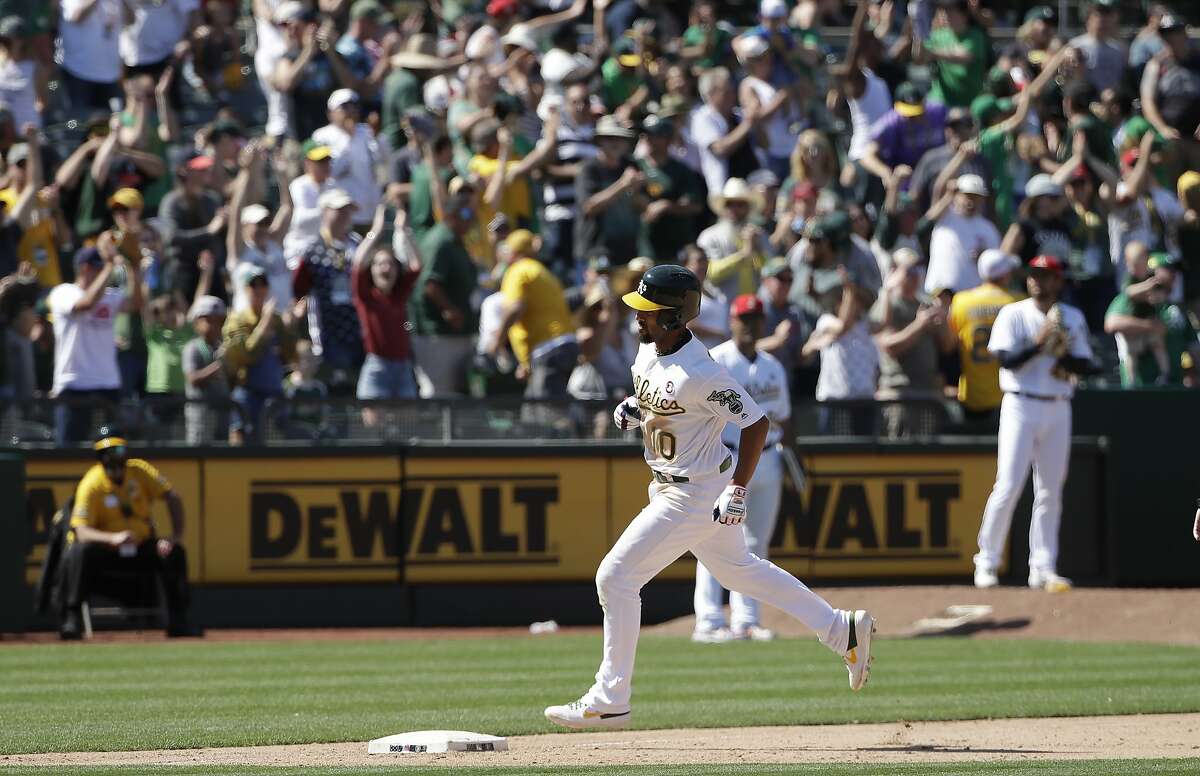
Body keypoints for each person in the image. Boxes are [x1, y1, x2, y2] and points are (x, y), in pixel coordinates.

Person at [543, 264, 875, 730]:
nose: (638, 317)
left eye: (649, 311)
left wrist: (738, 489)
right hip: (675, 483)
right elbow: (657, 397)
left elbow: (756, 423)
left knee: (615, 578)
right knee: (741, 572)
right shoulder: (648, 350)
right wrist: (634, 409)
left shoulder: (703, 371)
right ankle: (841, 629)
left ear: (676, 318)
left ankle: (610, 697)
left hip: (693, 493)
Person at [974, 256, 1097, 592]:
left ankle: (1043, 566)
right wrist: (1041, 343)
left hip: (1058, 405)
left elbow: (1085, 365)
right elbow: (1006, 361)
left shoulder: (1071, 317)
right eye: (1034, 275)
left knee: (1050, 490)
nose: (1038, 281)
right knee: (1009, 484)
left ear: (1059, 280)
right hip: (1020, 403)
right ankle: (987, 560)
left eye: (1046, 276)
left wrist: (1061, 354)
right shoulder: (1014, 313)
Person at [693, 293, 791, 643]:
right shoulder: (716, 360)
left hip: (767, 456)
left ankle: (747, 619)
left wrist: (794, 460)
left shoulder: (772, 366)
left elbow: (784, 418)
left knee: (756, 542)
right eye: (743, 318)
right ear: (731, 322)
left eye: (754, 319)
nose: (749, 325)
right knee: (709, 537)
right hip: (724, 456)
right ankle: (708, 620)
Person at [58, 427, 199, 639]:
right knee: (79, 553)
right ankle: (72, 619)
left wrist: (173, 537)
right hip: (107, 552)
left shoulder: (139, 471)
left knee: (174, 553)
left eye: (118, 451)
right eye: (108, 454)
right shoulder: (91, 483)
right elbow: (81, 531)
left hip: (140, 547)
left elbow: (172, 496)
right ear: (99, 456)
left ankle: (179, 620)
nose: (114, 459)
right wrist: (112, 538)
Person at [48, 240, 144, 444]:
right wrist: (109, 265)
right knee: (69, 451)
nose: (106, 275)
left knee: (113, 448)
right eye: (100, 270)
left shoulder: (110, 296)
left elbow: (136, 304)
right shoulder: (63, 292)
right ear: (85, 269)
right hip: (74, 384)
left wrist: (135, 266)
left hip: (107, 384)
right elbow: (86, 304)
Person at [871, 249, 957, 438]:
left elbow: (949, 346)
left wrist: (942, 322)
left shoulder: (926, 303)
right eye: (909, 270)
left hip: (928, 395)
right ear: (895, 271)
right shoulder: (888, 304)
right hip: (900, 395)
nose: (916, 275)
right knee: (899, 460)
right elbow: (889, 347)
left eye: (919, 269)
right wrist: (920, 325)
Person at [292, 188, 364, 391]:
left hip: (358, 328)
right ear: (325, 212)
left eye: (347, 211)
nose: (344, 216)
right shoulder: (312, 250)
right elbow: (298, 289)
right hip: (329, 332)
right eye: (339, 210)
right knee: (338, 386)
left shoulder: (357, 244)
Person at [490, 229, 576, 398]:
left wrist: (497, 342)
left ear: (513, 251)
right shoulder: (543, 272)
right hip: (564, 345)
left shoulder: (518, 270)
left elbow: (515, 307)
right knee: (535, 410)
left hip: (549, 349)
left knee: (547, 414)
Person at [352, 203, 422, 405]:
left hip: (402, 365)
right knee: (372, 418)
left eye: (390, 263)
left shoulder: (399, 295)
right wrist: (376, 231)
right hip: (377, 365)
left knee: (408, 420)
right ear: (372, 270)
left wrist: (404, 231)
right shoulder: (366, 297)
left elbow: (417, 265)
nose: (386, 268)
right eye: (380, 263)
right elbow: (357, 264)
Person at [410, 192, 478, 396]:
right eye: (466, 212)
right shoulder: (441, 241)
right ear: (451, 214)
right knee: (438, 393)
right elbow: (430, 284)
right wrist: (449, 310)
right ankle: (432, 430)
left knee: (455, 394)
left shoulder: (456, 241)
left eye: (473, 212)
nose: (472, 218)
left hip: (454, 334)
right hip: (437, 335)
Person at [222, 264, 297, 444]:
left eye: (262, 284)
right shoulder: (236, 320)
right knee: (240, 435)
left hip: (274, 391)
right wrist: (263, 326)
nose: (258, 289)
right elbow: (244, 355)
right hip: (248, 391)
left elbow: (290, 355)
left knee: (281, 437)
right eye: (253, 285)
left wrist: (292, 326)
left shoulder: (277, 319)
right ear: (245, 289)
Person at [948, 250, 1022, 428]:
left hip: (971, 396)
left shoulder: (961, 301)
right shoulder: (1019, 301)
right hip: (1008, 395)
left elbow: (949, 345)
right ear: (1005, 274)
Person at [576, 115, 642, 267]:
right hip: (597, 250)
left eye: (620, 138)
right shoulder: (589, 169)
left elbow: (643, 206)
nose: (616, 142)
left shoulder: (631, 165)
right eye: (610, 138)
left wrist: (637, 190)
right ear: (600, 141)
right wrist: (622, 184)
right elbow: (588, 207)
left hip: (629, 249)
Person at [313, 89, 383, 229]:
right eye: (344, 107)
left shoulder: (366, 132)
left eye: (354, 105)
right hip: (342, 215)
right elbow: (329, 172)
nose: (350, 110)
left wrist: (377, 136)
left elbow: (380, 163)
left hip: (370, 212)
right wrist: (349, 139)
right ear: (330, 113)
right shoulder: (322, 136)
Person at [698, 178, 771, 300]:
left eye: (740, 204)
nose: (734, 209)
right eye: (729, 204)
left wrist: (757, 249)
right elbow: (710, 274)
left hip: (753, 305)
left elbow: (770, 271)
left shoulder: (759, 235)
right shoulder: (710, 236)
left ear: (748, 208)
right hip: (721, 306)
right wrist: (744, 254)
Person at [926, 174, 1000, 294]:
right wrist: (948, 195)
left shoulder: (988, 229)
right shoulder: (945, 216)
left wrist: (984, 258)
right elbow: (929, 217)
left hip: (970, 297)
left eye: (976, 197)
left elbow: (996, 266)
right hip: (938, 292)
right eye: (967, 196)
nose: (971, 201)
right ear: (956, 195)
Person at [182, 295, 229, 445]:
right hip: (201, 417)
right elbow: (192, 378)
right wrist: (217, 367)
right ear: (197, 322)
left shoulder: (222, 347)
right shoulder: (193, 348)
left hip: (222, 414)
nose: (214, 325)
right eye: (209, 320)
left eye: (218, 321)